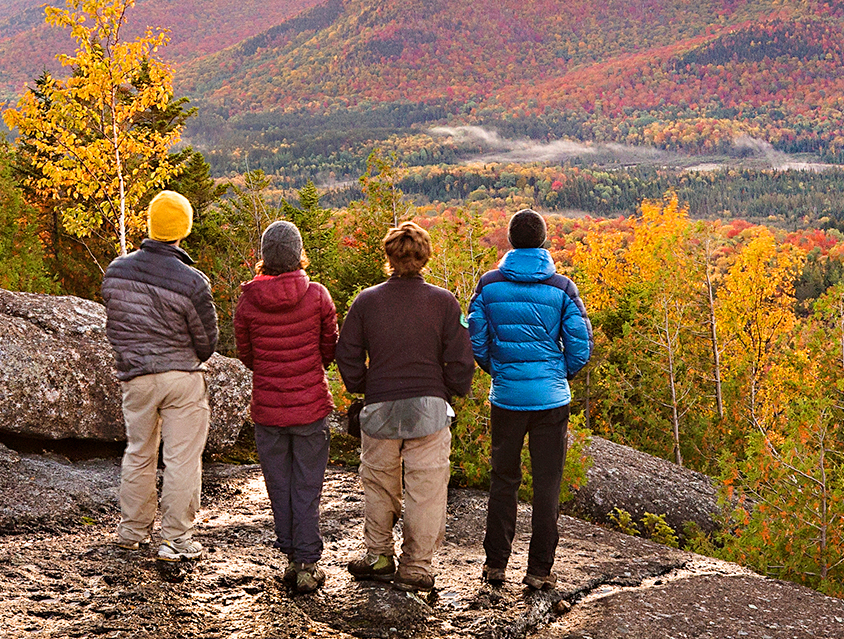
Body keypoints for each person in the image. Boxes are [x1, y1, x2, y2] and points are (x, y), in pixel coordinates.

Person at [336, 220, 473, 595]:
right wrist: (448, 391)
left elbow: (346, 352)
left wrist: (364, 385)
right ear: (425, 257)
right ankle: (416, 565)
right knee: (426, 488)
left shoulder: (367, 301)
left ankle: (379, 556)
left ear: (389, 257)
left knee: (379, 483)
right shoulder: (444, 301)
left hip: (379, 406)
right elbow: (461, 360)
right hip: (430, 407)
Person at [469, 207, 593, 592]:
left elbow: (477, 336)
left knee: (503, 479)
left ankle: (495, 566)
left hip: (506, 397)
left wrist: (499, 369)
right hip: (551, 399)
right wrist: (561, 374)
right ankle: (539, 571)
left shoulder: (489, 284)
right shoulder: (562, 287)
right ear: (542, 241)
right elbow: (580, 344)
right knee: (547, 484)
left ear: (511, 241)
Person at [103, 190, 219, 562]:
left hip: (135, 377)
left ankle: (132, 532)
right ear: (183, 228)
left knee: (138, 452)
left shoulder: (116, 272)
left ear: (151, 224)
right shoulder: (193, 282)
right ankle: (175, 540)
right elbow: (207, 344)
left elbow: (116, 326)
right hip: (181, 377)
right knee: (182, 459)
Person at [234, 219, 339, 595]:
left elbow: (247, 355)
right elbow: (330, 348)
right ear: (298, 255)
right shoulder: (317, 295)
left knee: (279, 486)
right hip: (310, 407)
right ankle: (308, 564)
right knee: (307, 486)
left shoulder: (248, 301)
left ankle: (292, 558)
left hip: (269, 409)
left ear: (264, 257)